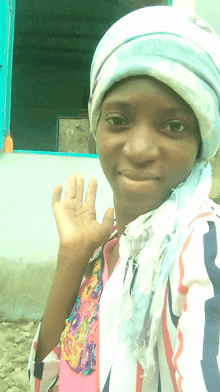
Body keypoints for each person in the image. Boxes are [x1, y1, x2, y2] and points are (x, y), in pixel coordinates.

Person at [28, 6, 220, 392]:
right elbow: (46, 379)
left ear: (201, 141)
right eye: (118, 120)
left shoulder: (202, 249)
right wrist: (73, 256)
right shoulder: (112, 248)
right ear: (96, 127)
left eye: (174, 125)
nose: (140, 148)